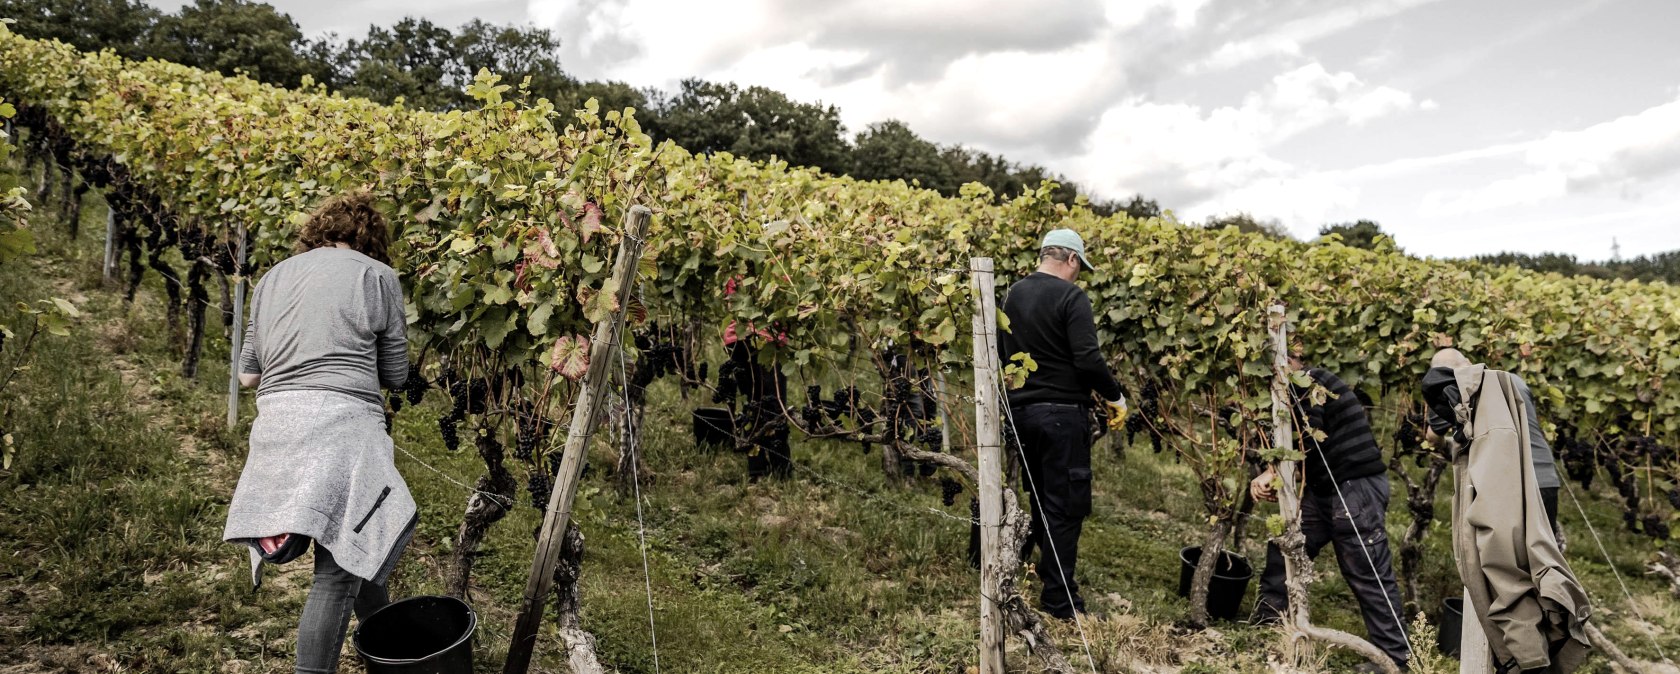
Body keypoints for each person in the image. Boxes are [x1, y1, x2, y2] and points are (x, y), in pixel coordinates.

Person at [223, 191, 416, 674]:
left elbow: (248, 376)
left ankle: (391, 654)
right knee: (336, 575)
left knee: (360, 542)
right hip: (343, 428)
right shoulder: (379, 277)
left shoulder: (271, 278)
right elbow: (394, 374)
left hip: (278, 423)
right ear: (372, 237)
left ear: (316, 230)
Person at [998, 228, 1127, 620]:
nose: (1079, 274)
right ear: (1070, 259)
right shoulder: (1072, 296)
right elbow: (1088, 359)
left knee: (1040, 499)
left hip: (1021, 415)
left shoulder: (1012, 295)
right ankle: (1060, 601)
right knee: (1066, 508)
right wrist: (1115, 396)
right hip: (1061, 417)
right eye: (1079, 267)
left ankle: (1044, 579)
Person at [1251, 355, 1409, 672]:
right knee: (1286, 545)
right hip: (1324, 491)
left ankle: (1396, 659)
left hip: (1355, 488)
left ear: (1288, 358)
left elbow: (1308, 435)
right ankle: (1269, 623)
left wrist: (1272, 471)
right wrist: (1277, 474)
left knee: (1367, 570)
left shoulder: (1311, 379)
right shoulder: (1287, 392)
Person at [1421, 348, 1561, 535]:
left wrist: (1447, 445)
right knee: (1545, 553)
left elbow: (1432, 437)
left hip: (1504, 484)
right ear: (1469, 362)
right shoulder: (1514, 381)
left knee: (1507, 558)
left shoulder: (1451, 390)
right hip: (1544, 476)